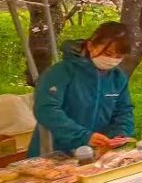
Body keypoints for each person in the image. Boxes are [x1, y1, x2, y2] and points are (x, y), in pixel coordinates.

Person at [28, 21, 135, 157]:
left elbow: (124, 110)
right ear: (91, 46)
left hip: (97, 152)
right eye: (108, 53)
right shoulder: (61, 72)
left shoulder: (117, 77)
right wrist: (83, 136)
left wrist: (120, 134)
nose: (112, 60)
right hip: (55, 152)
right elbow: (46, 109)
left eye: (119, 57)